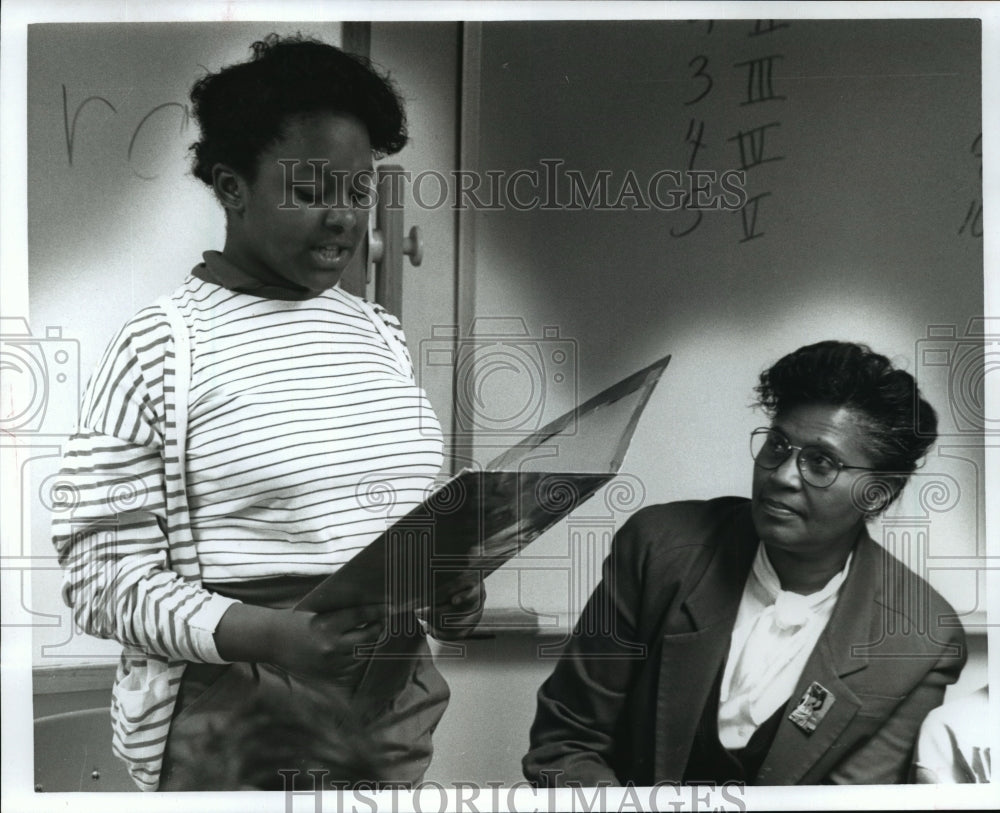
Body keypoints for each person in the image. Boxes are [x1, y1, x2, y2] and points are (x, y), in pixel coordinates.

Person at [51, 34, 483, 792]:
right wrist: (267, 633)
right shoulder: (161, 346)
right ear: (231, 186)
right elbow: (97, 573)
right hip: (239, 712)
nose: (342, 219)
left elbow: (408, 522)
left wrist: (447, 588)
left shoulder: (377, 333)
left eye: (357, 192)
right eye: (311, 192)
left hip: (391, 707)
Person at [522, 341, 967, 786]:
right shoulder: (659, 547)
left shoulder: (919, 637)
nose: (782, 474)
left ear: (877, 493)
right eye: (778, 444)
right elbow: (567, 743)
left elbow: (850, 803)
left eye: (821, 462)